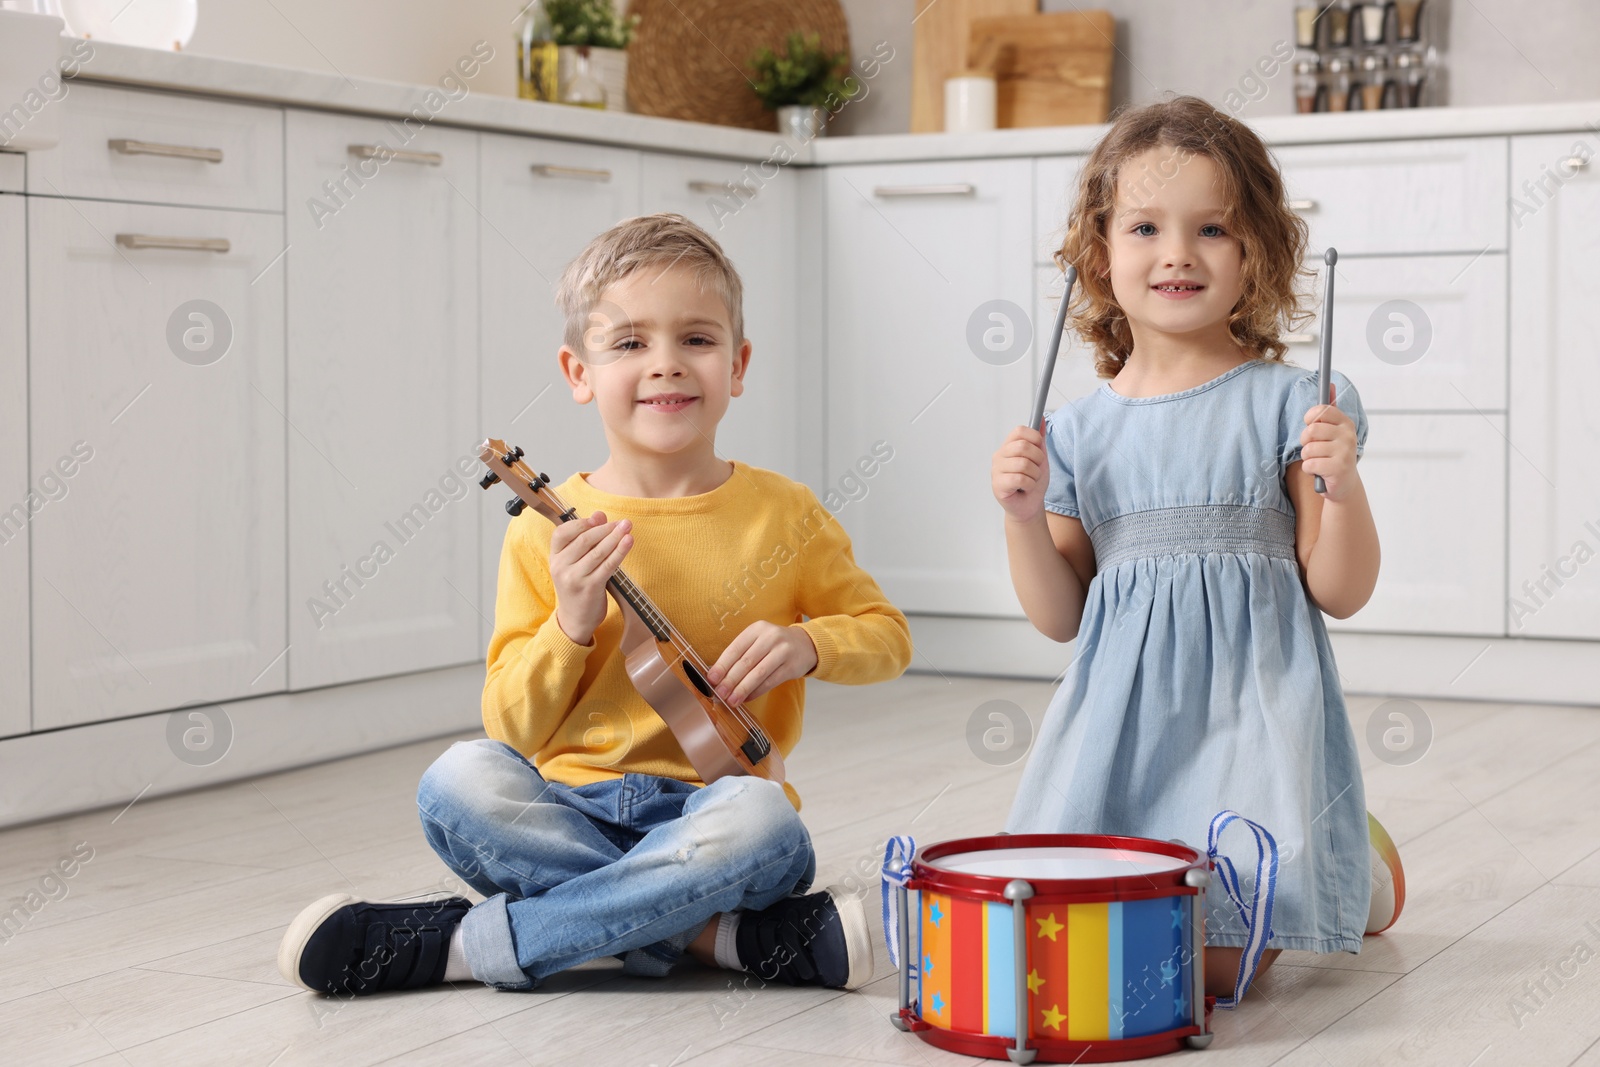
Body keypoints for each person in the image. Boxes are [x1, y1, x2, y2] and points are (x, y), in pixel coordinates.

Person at [278, 213, 914, 998]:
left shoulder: (787, 514)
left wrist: (809, 642)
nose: (667, 366)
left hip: (718, 816)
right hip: (569, 811)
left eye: (698, 340)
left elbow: (888, 636)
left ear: (738, 364)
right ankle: (719, 937)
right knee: (457, 779)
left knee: (764, 821)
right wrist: (569, 625)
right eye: (629, 343)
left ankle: (461, 949)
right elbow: (511, 726)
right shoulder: (549, 532)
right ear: (578, 373)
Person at [990, 95, 1402, 1002]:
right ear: (1101, 254)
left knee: (1202, 968)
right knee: (1058, 933)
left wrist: (1344, 485)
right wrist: (1022, 516)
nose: (1177, 253)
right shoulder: (1076, 433)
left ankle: (1343, 859)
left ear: (1253, 252)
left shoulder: (1291, 404)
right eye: (1145, 227)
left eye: (1211, 227)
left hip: (1250, 726)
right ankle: (1333, 854)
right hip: (1121, 737)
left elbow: (1340, 590)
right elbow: (1061, 617)